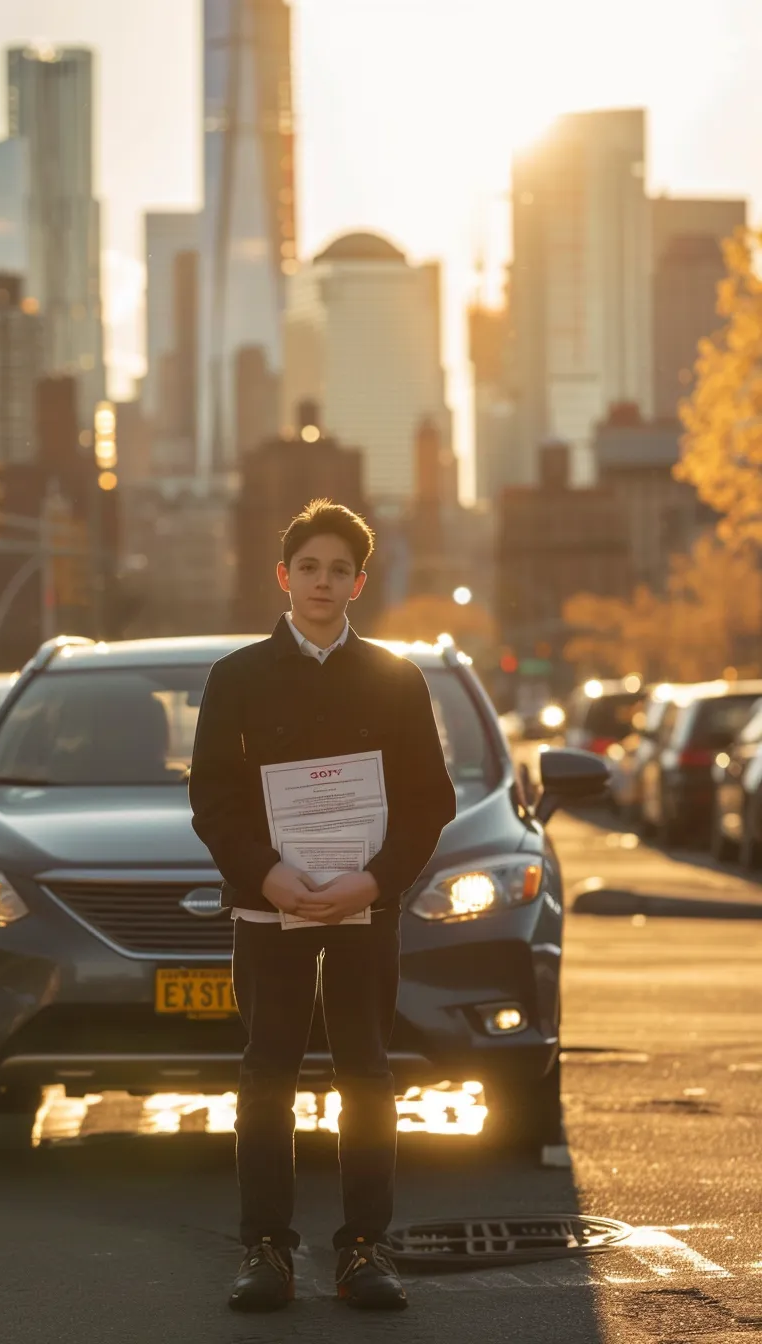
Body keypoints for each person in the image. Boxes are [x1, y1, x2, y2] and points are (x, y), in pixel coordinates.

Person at [189, 499, 457, 1313]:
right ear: (283, 577)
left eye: (339, 569)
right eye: (308, 567)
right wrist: (263, 874)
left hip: (363, 911)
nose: (322, 581)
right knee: (266, 1075)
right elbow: (213, 799)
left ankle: (364, 1250)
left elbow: (428, 802)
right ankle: (265, 1249)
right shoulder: (236, 676)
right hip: (269, 912)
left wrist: (373, 882)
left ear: (358, 584)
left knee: (368, 1078)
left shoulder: (395, 677)